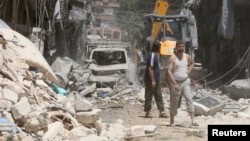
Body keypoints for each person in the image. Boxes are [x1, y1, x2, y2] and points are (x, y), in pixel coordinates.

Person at [166, 40, 198, 126]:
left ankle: (193, 121)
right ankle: (172, 121)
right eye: (179, 46)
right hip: (175, 82)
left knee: (189, 98)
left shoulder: (186, 56)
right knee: (174, 101)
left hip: (185, 81)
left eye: (182, 46)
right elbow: (169, 72)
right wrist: (174, 84)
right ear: (176, 47)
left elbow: (192, 63)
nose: (181, 48)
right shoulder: (172, 58)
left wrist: (189, 71)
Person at [144, 41, 168, 118]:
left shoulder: (156, 56)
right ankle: (147, 112)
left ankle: (161, 111)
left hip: (156, 80)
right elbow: (150, 69)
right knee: (149, 95)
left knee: (158, 95)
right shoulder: (152, 56)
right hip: (151, 80)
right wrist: (153, 80)